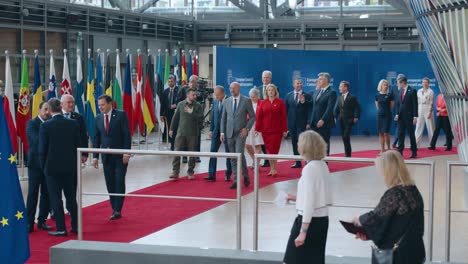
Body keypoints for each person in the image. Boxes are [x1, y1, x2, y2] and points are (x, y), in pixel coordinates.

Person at [351, 150, 425, 264]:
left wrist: (358, 220)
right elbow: (397, 224)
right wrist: (369, 234)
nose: (382, 174)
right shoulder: (413, 189)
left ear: (388, 170)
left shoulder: (395, 194)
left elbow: (376, 218)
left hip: (399, 255)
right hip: (414, 250)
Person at [283, 130, 330, 264]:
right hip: (322, 221)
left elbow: (310, 202)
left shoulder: (309, 168)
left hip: (308, 221)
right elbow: (317, 195)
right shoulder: (322, 165)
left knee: (291, 260)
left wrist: (303, 231)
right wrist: (296, 197)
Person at [39, 98, 80, 236]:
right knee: (71, 198)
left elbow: (42, 149)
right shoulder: (73, 123)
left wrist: (43, 167)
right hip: (69, 167)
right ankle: (76, 226)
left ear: (49, 110)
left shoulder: (45, 126)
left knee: (56, 198)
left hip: (52, 168)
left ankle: (61, 228)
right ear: (60, 107)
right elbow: (77, 144)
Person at [92, 94, 131, 220]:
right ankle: (113, 206)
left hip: (120, 156)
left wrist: (126, 153)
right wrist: (95, 157)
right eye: (99, 105)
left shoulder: (121, 115)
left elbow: (126, 135)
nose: (100, 107)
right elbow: (96, 138)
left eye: (103, 105)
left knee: (119, 181)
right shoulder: (98, 118)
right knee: (110, 182)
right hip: (106, 157)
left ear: (110, 104)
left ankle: (118, 209)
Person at [221, 82, 256, 189]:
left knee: (239, 154)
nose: (232, 90)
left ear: (238, 89)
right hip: (229, 133)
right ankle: (236, 180)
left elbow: (253, 117)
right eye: (230, 88)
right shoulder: (226, 101)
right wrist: (222, 132)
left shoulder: (246, 101)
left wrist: (247, 128)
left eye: (234, 88)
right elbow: (223, 118)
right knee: (233, 157)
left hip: (241, 133)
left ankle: (245, 176)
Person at [26, 101, 52, 233]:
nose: (48, 112)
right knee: (32, 194)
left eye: (49, 110)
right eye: (45, 109)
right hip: (35, 165)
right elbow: (36, 140)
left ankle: (42, 221)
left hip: (49, 164)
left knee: (46, 194)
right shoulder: (32, 123)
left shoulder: (52, 122)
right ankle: (29, 223)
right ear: (39, 110)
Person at [169, 88, 203, 180]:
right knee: (177, 152)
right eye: (193, 95)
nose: (195, 96)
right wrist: (171, 129)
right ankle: (175, 171)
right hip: (181, 133)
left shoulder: (198, 106)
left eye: (195, 95)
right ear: (187, 95)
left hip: (193, 134)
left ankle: (190, 172)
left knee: (192, 154)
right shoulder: (181, 104)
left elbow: (201, 119)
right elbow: (175, 118)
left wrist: (192, 113)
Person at [255, 84, 287, 177]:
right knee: (268, 150)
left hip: (277, 131)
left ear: (275, 92)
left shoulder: (280, 102)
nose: (271, 92)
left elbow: (283, 117)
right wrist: (257, 129)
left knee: (275, 150)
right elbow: (259, 117)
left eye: (272, 90)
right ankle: (272, 169)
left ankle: (275, 168)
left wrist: (285, 130)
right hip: (266, 131)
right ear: (266, 92)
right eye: (269, 90)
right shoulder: (262, 103)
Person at [205, 86, 232, 182]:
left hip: (227, 131)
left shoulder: (229, 101)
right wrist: (211, 130)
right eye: (215, 95)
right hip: (216, 131)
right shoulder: (216, 102)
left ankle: (228, 174)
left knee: (228, 153)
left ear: (222, 93)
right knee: (212, 151)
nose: (216, 97)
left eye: (217, 95)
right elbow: (213, 117)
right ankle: (211, 174)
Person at [308, 72, 337, 156]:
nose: (318, 80)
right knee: (314, 144)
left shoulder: (332, 92)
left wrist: (323, 119)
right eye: (319, 79)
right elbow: (313, 104)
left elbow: (330, 108)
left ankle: (324, 163)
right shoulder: (318, 91)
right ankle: (315, 162)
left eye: (320, 79)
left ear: (326, 80)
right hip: (314, 122)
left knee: (324, 144)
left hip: (324, 123)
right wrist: (303, 100)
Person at [285, 78, 310, 168]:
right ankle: (297, 162)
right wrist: (286, 126)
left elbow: (309, 110)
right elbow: (286, 110)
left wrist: (308, 122)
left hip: (302, 124)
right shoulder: (288, 95)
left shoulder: (307, 95)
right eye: (297, 83)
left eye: (300, 83)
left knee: (303, 143)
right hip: (292, 124)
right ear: (293, 85)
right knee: (294, 142)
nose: (299, 85)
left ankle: (307, 161)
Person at [333, 81, 361, 157]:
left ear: (345, 88)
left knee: (346, 136)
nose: (339, 88)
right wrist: (335, 118)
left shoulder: (352, 97)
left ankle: (348, 155)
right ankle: (347, 154)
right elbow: (336, 110)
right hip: (341, 121)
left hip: (349, 121)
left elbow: (358, 108)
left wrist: (356, 117)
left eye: (341, 86)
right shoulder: (339, 98)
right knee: (344, 138)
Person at [394, 75, 418, 158]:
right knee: (400, 134)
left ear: (402, 83)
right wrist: (397, 114)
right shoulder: (400, 91)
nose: (397, 84)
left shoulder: (412, 90)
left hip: (409, 117)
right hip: (401, 117)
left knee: (411, 134)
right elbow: (398, 104)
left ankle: (414, 151)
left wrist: (415, 117)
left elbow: (415, 104)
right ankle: (400, 152)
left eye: (398, 83)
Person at [61, 94, 88, 163]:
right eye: (69, 102)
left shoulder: (78, 117)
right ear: (61, 104)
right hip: (59, 153)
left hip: (74, 153)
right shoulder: (55, 116)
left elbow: (83, 136)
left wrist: (84, 154)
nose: (71, 104)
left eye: (73, 102)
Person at [255, 70, 272, 167]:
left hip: (269, 119)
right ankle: (266, 159)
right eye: (264, 77)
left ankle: (269, 159)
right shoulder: (257, 89)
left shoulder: (273, 88)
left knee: (268, 141)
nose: (265, 79)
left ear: (270, 78)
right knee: (260, 141)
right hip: (259, 119)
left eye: (267, 77)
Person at [245, 88, 264, 169]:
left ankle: (256, 164)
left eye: (254, 97)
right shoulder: (247, 103)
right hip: (249, 126)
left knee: (257, 145)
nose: (252, 98)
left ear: (258, 96)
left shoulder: (262, 103)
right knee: (247, 145)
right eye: (251, 97)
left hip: (259, 126)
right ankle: (254, 161)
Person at [375, 79, 395, 153]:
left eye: (387, 85)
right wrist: (381, 111)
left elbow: (392, 106)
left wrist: (386, 111)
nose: (386, 86)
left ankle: (389, 148)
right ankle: (382, 149)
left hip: (387, 115)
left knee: (386, 132)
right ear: (381, 86)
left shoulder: (390, 95)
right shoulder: (377, 95)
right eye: (384, 85)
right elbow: (377, 106)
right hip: (380, 115)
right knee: (380, 133)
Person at [160, 75, 179, 150]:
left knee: (174, 128)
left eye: (171, 81)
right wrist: (161, 114)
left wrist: (175, 105)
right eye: (169, 82)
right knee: (169, 129)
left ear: (174, 81)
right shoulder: (165, 91)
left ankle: (174, 145)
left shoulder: (179, 90)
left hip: (176, 113)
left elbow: (180, 101)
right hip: (167, 114)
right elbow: (163, 104)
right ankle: (171, 144)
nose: (170, 83)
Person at [414, 77, 435, 146]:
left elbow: (431, 102)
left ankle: (432, 144)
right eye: (423, 82)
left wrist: (429, 112)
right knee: (418, 127)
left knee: (430, 128)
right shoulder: (419, 91)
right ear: (422, 83)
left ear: (429, 83)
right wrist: (415, 113)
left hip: (427, 108)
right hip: (420, 108)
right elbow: (416, 102)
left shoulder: (430, 91)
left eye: (426, 82)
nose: (425, 83)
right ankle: (416, 144)